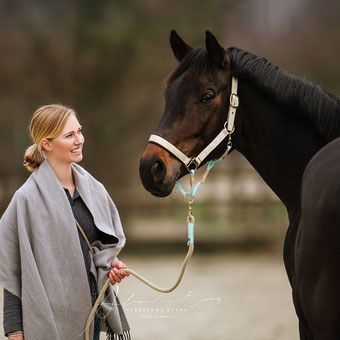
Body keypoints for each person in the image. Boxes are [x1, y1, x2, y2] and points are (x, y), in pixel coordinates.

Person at [0, 104, 130, 340]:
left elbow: (96, 251)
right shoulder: (25, 199)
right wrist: (14, 332)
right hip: (43, 323)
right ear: (47, 144)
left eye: (79, 131)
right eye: (69, 135)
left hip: (90, 318)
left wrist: (110, 265)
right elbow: (14, 273)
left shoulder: (95, 191)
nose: (79, 139)